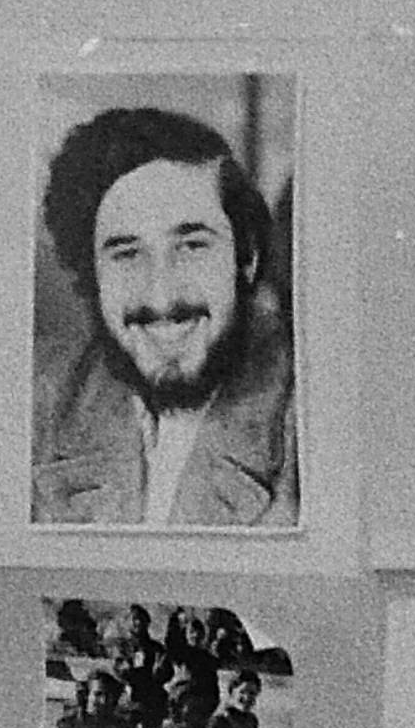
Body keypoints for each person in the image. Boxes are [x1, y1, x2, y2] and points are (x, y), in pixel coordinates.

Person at [28, 108, 299, 529]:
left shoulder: (309, 418)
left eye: (192, 246)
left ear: (246, 258)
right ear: (93, 274)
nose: (161, 297)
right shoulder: (36, 402)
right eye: (127, 254)